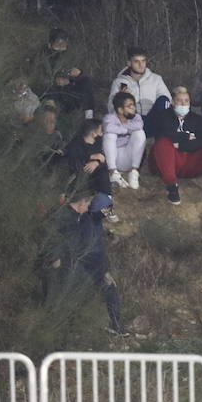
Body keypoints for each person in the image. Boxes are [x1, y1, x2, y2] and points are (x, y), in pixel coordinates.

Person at [42, 192, 127, 336]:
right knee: (73, 295)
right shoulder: (85, 221)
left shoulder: (95, 220)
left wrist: (104, 271)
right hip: (83, 265)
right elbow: (88, 249)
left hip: (93, 266)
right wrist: (103, 272)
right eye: (105, 212)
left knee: (109, 289)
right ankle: (60, 328)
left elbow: (98, 247)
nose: (106, 215)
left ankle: (116, 326)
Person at [145, 86, 202, 207]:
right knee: (163, 143)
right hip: (167, 162)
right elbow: (162, 136)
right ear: (173, 102)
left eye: (186, 101)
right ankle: (171, 186)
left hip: (189, 162)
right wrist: (189, 136)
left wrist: (180, 142)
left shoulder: (197, 119)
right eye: (179, 100)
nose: (183, 104)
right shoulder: (163, 116)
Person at [37, 28, 98, 120]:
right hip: (49, 91)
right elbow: (37, 78)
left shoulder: (70, 55)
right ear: (50, 45)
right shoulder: (41, 57)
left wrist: (76, 75)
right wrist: (55, 81)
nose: (61, 48)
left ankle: (89, 116)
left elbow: (80, 72)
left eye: (63, 45)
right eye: (58, 45)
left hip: (67, 89)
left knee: (86, 81)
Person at [62, 119, 116, 214]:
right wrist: (90, 157)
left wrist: (96, 162)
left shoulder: (97, 145)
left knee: (102, 170)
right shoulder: (76, 143)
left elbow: (102, 158)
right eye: (100, 131)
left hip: (95, 180)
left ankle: (107, 205)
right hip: (79, 179)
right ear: (93, 133)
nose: (102, 134)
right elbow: (72, 155)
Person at [108, 46, 172, 118]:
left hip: (152, 120)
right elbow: (111, 108)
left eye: (143, 61)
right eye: (136, 61)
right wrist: (121, 98)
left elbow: (167, 101)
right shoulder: (119, 82)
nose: (141, 65)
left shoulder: (156, 79)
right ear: (129, 63)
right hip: (131, 120)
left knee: (163, 99)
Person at [102, 92, 146, 190]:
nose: (133, 108)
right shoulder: (110, 118)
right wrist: (126, 130)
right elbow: (108, 127)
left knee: (140, 133)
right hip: (112, 157)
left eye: (133, 105)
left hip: (127, 157)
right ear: (120, 110)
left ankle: (134, 172)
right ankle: (113, 172)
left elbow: (139, 125)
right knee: (109, 135)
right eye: (129, 106)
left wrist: (119, 128)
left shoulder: (136, 117)